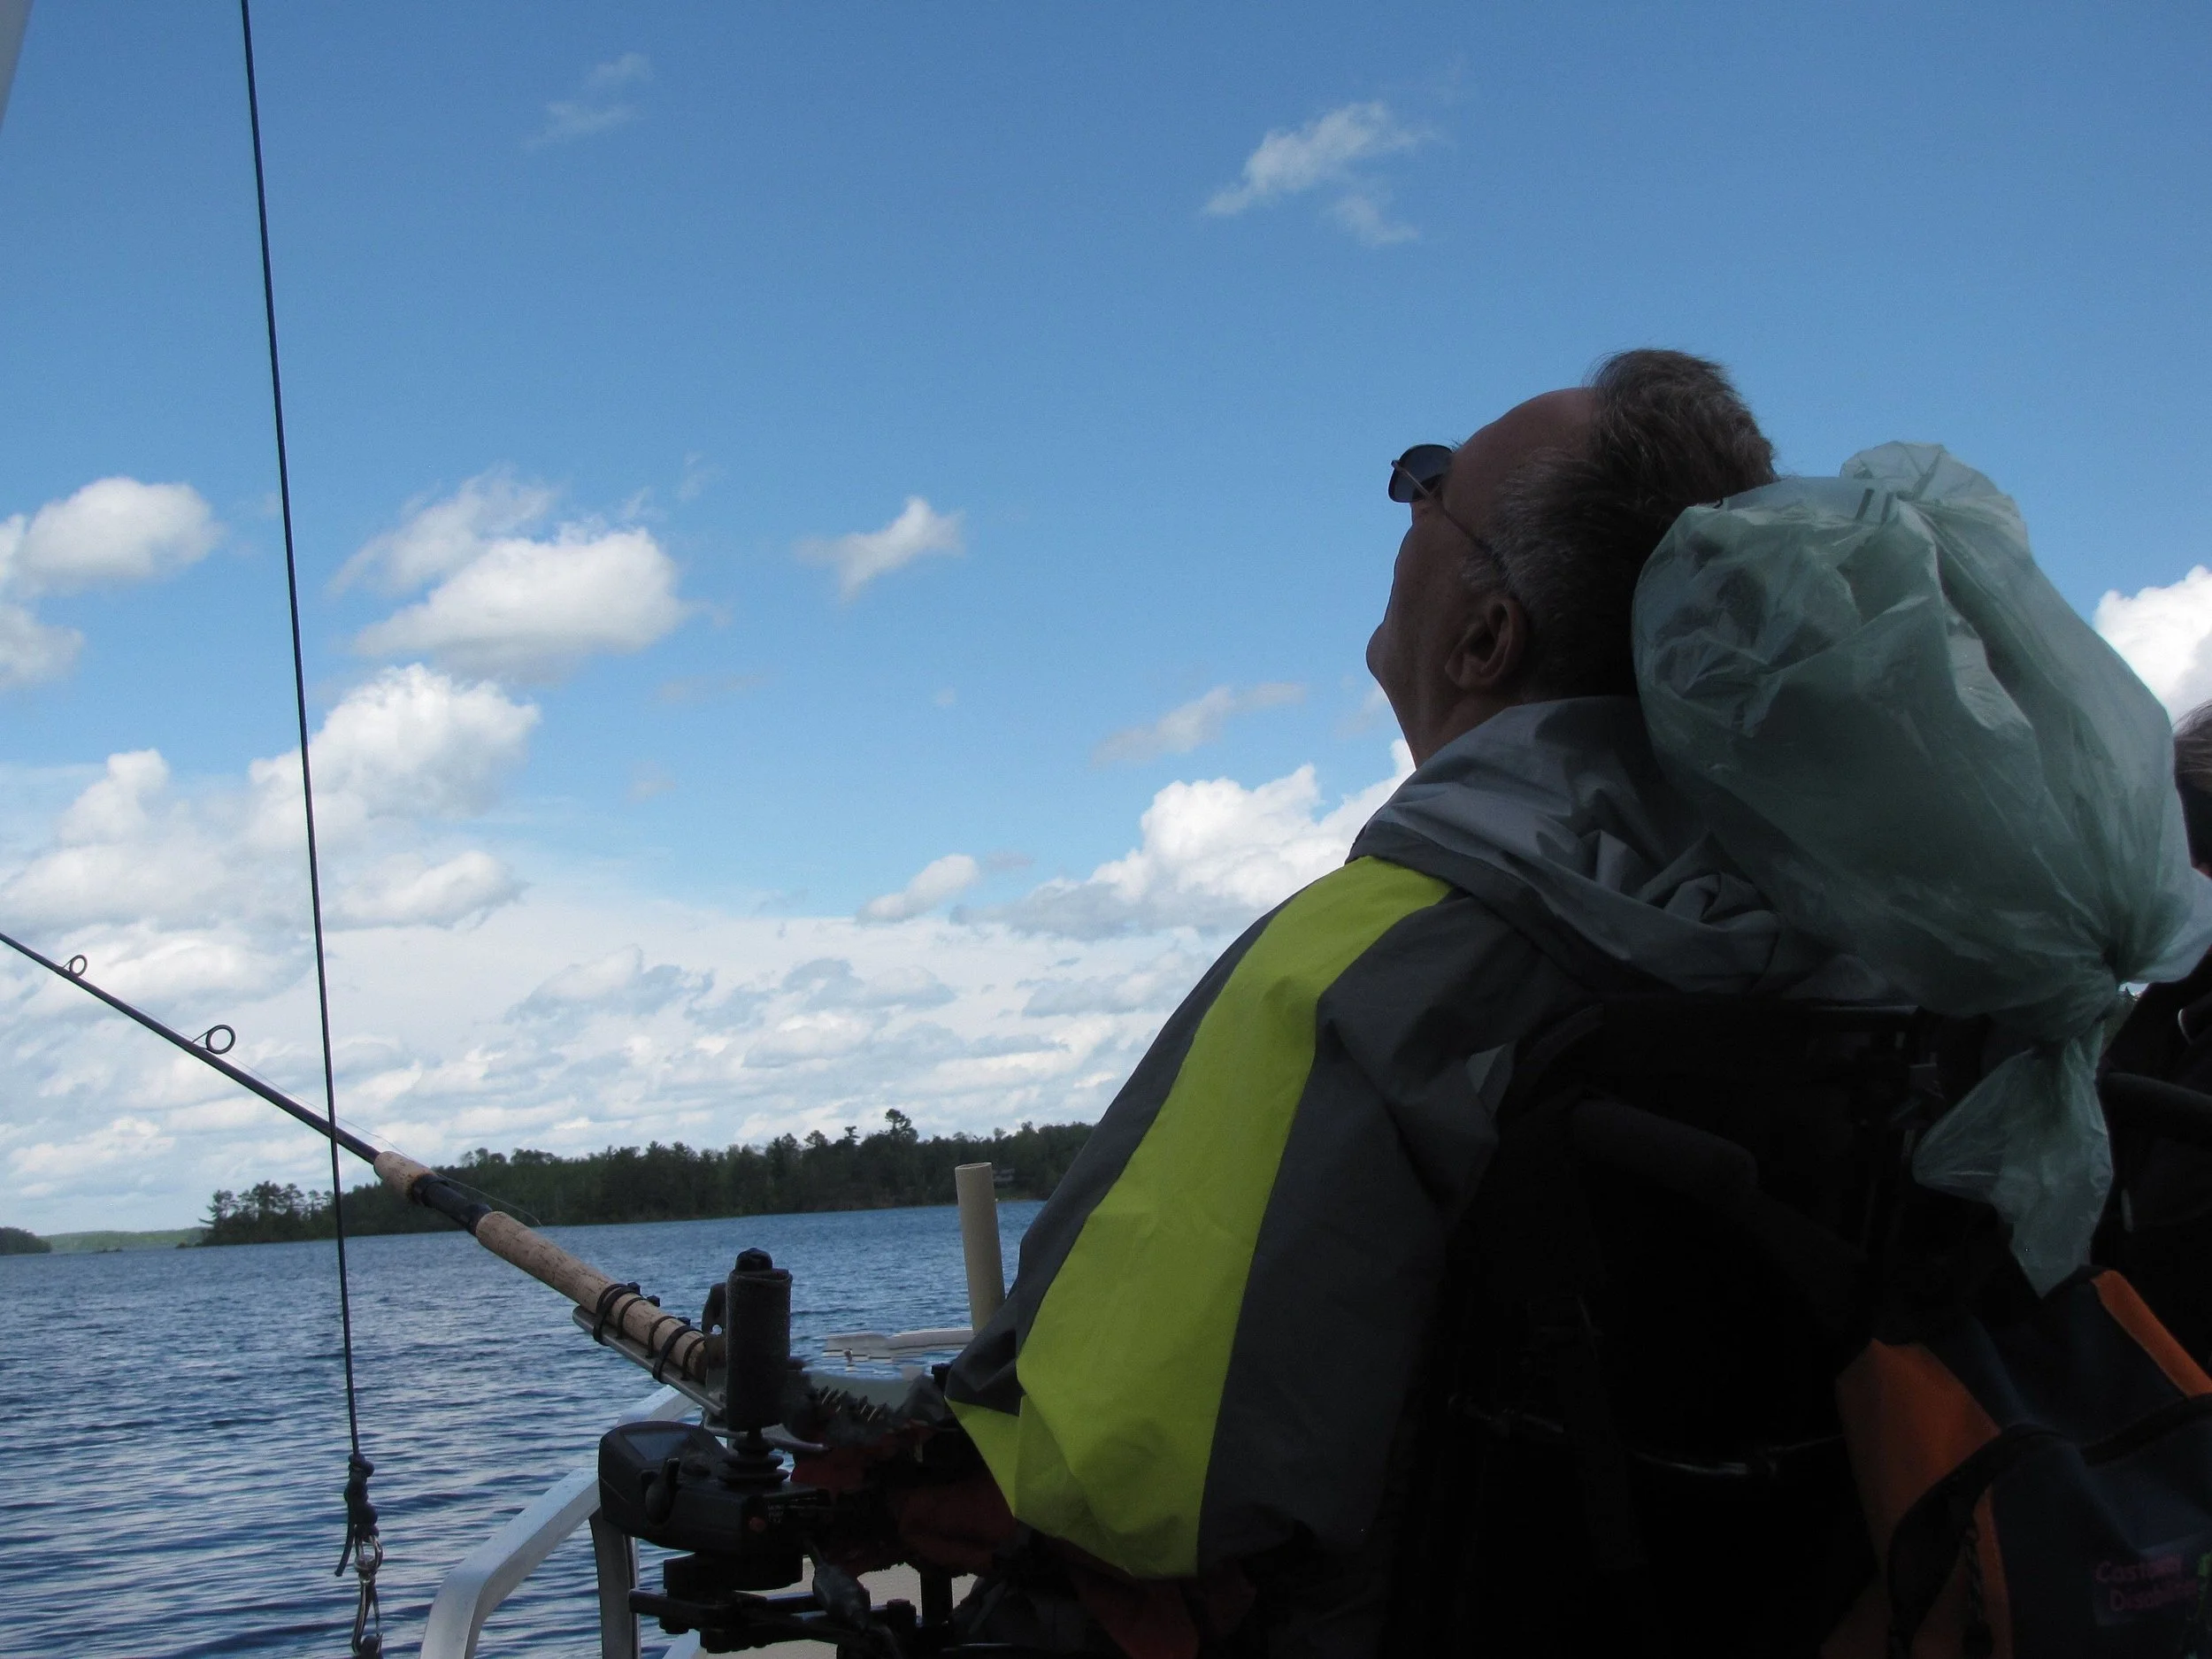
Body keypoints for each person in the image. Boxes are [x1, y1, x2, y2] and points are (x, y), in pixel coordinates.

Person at [936, 350, 1885, 1657]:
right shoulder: (1862, 960)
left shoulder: (1366, 964)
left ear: (1485, 637)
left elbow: (1124, 1482)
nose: (1406, 506)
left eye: (1429, 487)